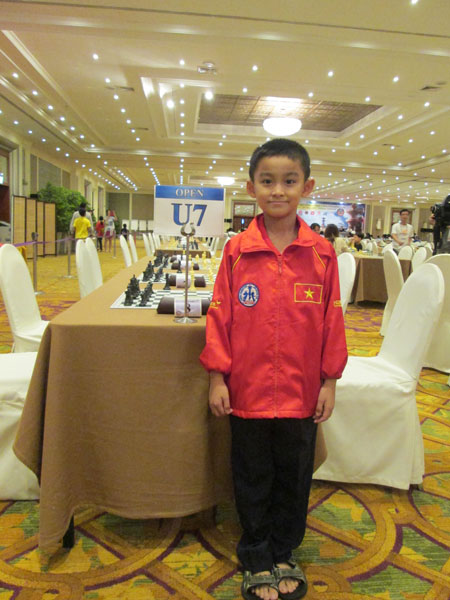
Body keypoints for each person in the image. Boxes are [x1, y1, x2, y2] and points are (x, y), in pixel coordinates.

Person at [200, 139, 348, 600]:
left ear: (307, 186)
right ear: (251, 188)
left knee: (293, 477)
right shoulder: (237, 251)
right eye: (267, 181)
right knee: (252, 475)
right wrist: (217, 376)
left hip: (301, 394)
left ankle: (285, 551)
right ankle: (256, 555)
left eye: (289, 181)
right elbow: (219, 316)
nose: (278, 191)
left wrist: (329, 381)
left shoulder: (321, 254)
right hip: (248, 392)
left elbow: (333, 321)